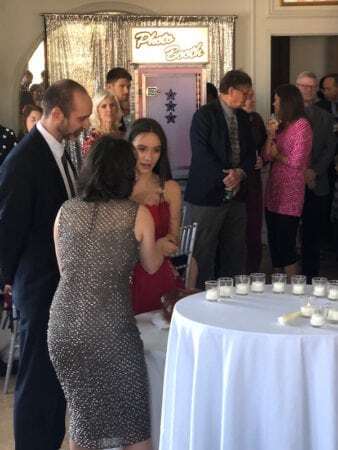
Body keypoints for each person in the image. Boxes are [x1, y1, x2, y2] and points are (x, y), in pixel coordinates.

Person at [48, 135, 162, 450]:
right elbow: (151, 266)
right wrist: (163, 246)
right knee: (135, 427)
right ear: (127, 172)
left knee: (83, 423)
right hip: (110, 328)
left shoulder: (65, 211)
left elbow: (67, 272)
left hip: (63, 327)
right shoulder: (136, 214)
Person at [0, 79, 92, 450]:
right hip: (38, 286)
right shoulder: (23, 160)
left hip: (59, 284)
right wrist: (8, 281)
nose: (85, 124)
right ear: (56, 114)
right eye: (80, 117)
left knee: (54, 378)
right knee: (37, 379)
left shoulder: (61, 148)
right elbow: (7, 228)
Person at [184, 70, 256, 288]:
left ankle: (231, 299)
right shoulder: (205, 115)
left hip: (237, 196)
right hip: (207, 195)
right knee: (202, 252)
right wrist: (226, 176)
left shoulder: (244, 118)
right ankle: (200, 298)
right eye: (245, 93)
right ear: (231, 91)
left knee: (234, 251)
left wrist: (240, 173)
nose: (248, 98)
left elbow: (250, 153)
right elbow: (201, 153)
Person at [128, 118, 184, 314]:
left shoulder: (169, 188)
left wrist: (159, 248)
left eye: (156, 150)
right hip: (121, 279)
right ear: (129, 148)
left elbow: (173, 239)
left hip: (158, 274)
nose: (148, 157)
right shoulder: (116, 187)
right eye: (141, 149)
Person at [264, 84, 312, 279]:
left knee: (286, 245)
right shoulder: (281, 125)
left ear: (287, 102)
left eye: (276, 100)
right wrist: (270, 135)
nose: (274, 104)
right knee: (274, 245)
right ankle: (277, 289)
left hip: (290, 194)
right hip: (274, 191)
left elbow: (298, 161)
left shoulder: (302, 126)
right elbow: (266, 156)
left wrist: (278, 156)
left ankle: (294, 291)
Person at [296, 71, 336, 281]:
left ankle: (311, 279)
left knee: (313, 234)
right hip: (292, 182)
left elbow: (330, 149)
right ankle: (291, 279)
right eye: (303, 86)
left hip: (318, 183)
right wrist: (302, 171)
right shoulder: (286, 113)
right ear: (297, 86)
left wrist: (313, 172)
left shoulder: (326, 116)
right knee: (290, 233)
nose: (307, 90)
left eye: (311, 86)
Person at [242, 88, 266, 273]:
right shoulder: (230, 118)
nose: (252, 101)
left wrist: (262, 160)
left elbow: (265, 147)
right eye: (248, 97)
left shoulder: (256, 119)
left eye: (253, 97)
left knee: (254, 229)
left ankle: (253, 271)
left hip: (253, 182)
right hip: (235, 181)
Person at [82, 90, 122, 156]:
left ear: (117, 109)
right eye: (104, 106)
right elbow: (90, 165)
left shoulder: (123, 135)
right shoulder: (91, 141)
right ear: (97, 111)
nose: (109, 109)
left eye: (112, 105)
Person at [106, 67, 132, 132]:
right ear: (109, 87)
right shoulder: (103, 111)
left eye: (128, 87)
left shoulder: (125, 111)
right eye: (122, 86)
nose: (126, 91)